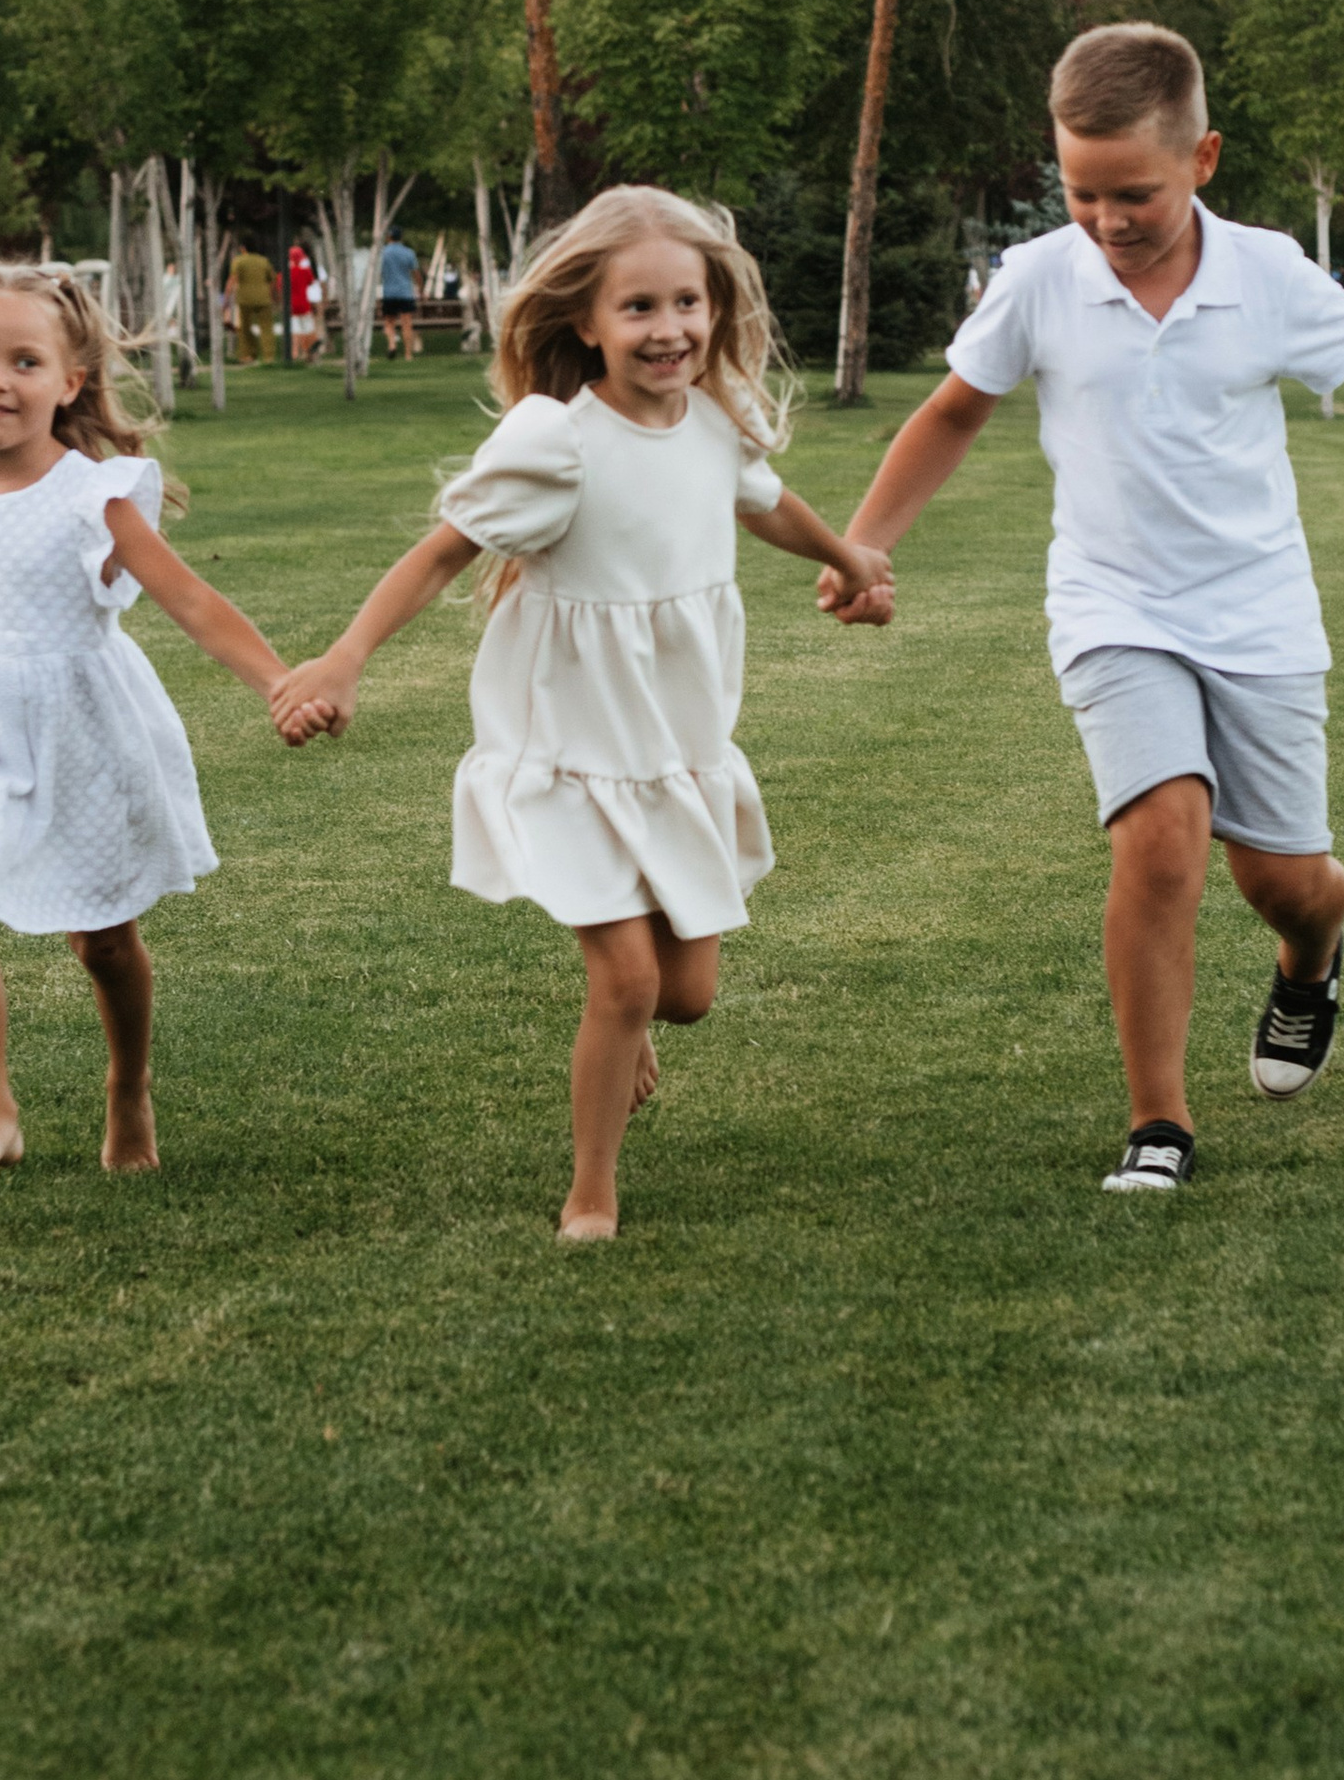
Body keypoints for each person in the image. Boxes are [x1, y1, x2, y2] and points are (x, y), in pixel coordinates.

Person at [814, 23, 1344, 1195]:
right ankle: (1160, 1122)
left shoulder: (1266, 274)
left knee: (1279, 880)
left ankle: (1314, 948)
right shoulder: (1040, 278)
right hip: (1110, 605)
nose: (1105, 220)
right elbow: (952, 410)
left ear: (1202, 159)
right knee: (1160, 839)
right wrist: (866, 543)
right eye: (1080, 191)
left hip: (1257, 614)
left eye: (1132, 191)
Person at [273, 188, 894, 1242]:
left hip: (674, 742)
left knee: (683, 994)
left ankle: (631, 1023)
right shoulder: (556, 440)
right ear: (587, 323)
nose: (670, 329)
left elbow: (766, 502)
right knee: (627, 976)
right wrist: (345, 656)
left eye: (687, 303)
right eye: (640, 308)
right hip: (567, 741)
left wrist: (846, 558)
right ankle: (591, 1191)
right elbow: (443, 552)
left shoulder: (712, 424)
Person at [0, 264, 310, 1178]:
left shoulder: (90, 496)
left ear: (70, 381)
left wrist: (278, 681)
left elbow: (187, 599)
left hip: (82, 730)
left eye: (24, 361)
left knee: (102, 939)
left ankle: (128, 1087)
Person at [228, 241, 276, 366]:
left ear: (243, 248)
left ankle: (247, 355)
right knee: (266, 328)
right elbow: (272, 280)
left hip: (245, 298)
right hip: (263, 298)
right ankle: (268, 357)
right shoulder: (264, 261)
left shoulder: (239, 261)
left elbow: (233, 279)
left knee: (244, 328)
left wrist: (227, 297)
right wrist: (274, 296)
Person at [376, 228, 422, 358]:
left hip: (389, 292)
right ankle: (408, 353)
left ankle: (392, 344)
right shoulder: (409, 253)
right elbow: (416, 273)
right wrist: (421, 289)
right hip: (405, 292)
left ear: (388, 238)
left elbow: (377, 272)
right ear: (401, 237)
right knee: (407, 324)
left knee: (389, 322)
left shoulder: (382, 253)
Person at [286, 240, 321, 363]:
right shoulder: (305, 271)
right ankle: (309, 350)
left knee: (295, 332)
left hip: (291, 305)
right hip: (304, 304)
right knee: (308, 329)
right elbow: (311, 282)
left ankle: (294, 354)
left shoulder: (285, 274)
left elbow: (280, 287)